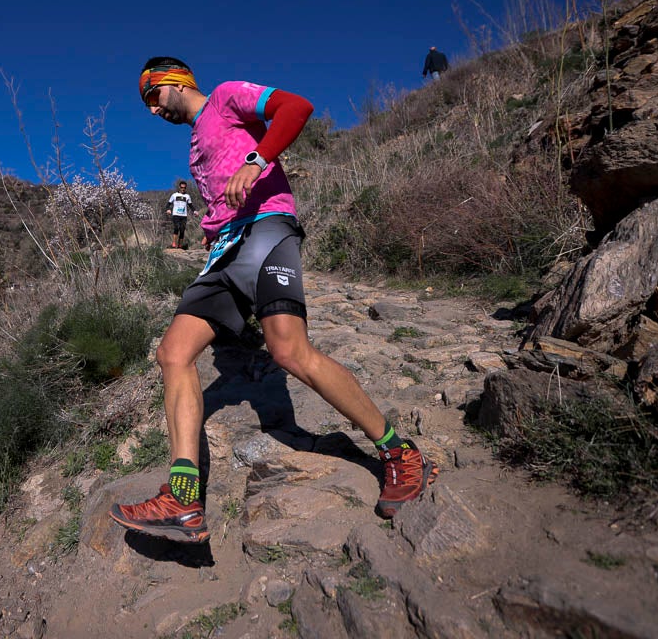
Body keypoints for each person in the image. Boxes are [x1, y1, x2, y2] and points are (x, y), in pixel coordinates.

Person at [108, 57, 437, 544]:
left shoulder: (224, 97)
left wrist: (257, 161)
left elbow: (296, 107)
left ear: (173, 81)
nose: (153, 111)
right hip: (224, 251)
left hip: (266, 230)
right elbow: (222, 195)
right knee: (173, 354)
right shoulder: (195, 147)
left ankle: (398, 451)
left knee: (288, 352)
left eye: (152, 98)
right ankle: (182, 495)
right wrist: (210, 228)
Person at [166, 180, 193, 249]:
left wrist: (195, 211)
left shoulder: (187, 196)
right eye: (181, 187)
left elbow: (190, 205)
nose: (183, 189)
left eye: (184, 188)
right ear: (179, 187)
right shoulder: (174, 195)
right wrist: (168, 209)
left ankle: (180, 245)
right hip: (176, 214)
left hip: (184, 215)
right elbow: (168, 204)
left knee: (182, 229)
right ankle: (174, 243)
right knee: (176, 227)